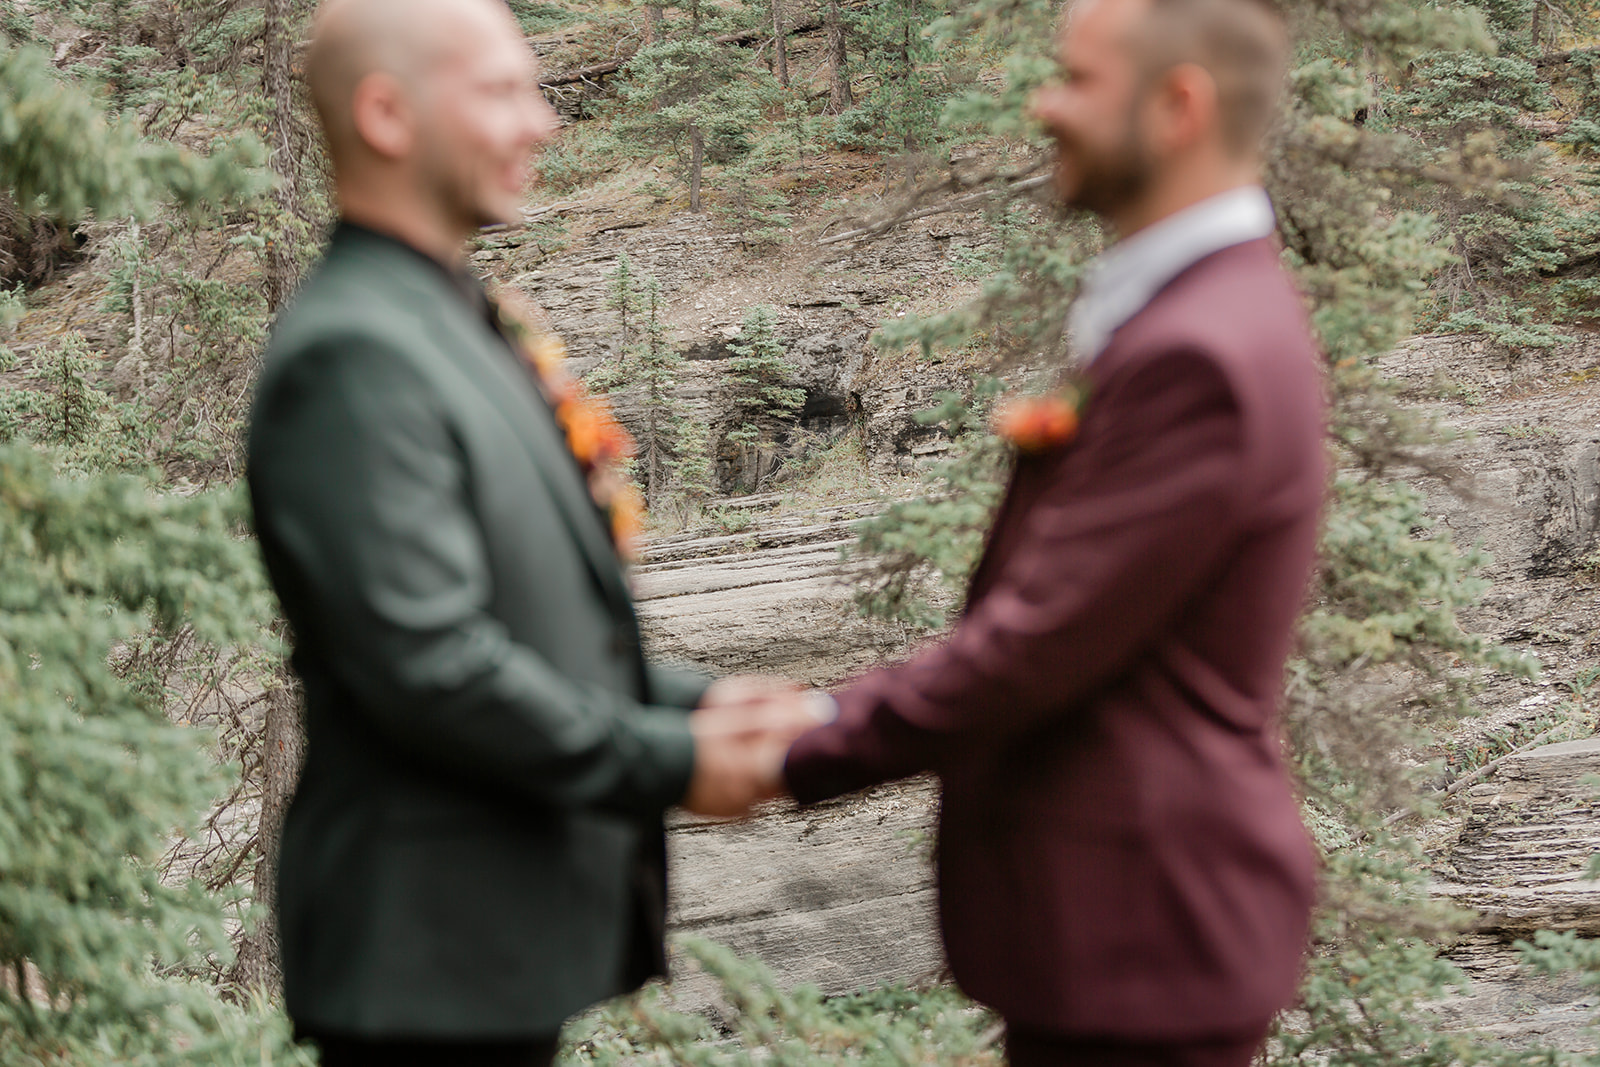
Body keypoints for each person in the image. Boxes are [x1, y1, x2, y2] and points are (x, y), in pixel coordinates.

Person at [747, 0, 1326, 1063]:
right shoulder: (1203, 316)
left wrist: (797, 742)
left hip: (1141, 931)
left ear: (1178, 105)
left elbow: (1035, 644)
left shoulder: (1199, 354)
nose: (1043, 106)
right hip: (1124, 935)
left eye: (1073, 78)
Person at [246, 1, 808, 1063]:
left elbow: (531, 619)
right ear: (386, 113)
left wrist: (696, 698)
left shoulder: (450, 317)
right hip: (423, 958)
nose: (542, 123)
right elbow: (429, 661)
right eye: (504, 92)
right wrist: (668, 757)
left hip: (488, 949)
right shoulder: (352, 354)